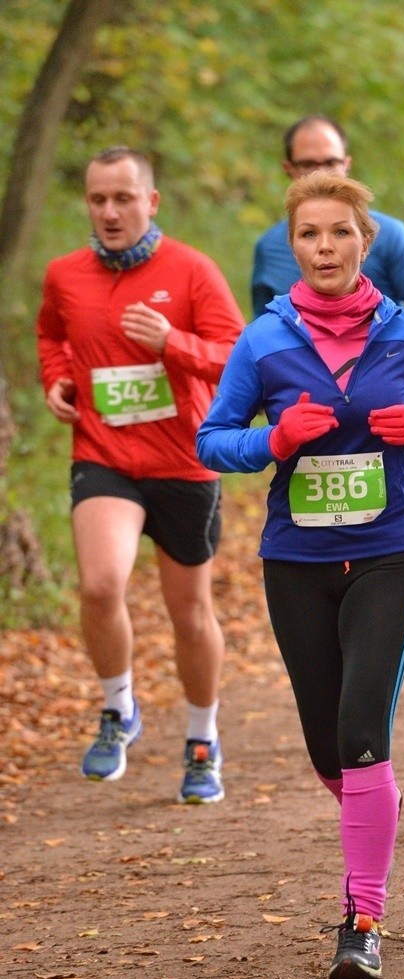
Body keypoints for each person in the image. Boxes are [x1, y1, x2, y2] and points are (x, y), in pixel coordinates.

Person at [197, 173, 404, 979]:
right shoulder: (266, 340)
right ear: (295, 247)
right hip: (297, 560)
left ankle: (362, 919)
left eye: (340, 234)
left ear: (365, 241)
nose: (324, 248)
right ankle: (372, 803)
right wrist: (273, 442)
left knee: (360, 726)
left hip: (390, 551)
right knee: (329, 749)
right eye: (310, 235)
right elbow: (213, 442)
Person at [37, 146, 245, 804]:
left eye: (123, 198)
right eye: (98, 199)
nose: (109, 211)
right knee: (101, 586)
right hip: (103, 456)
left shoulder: (190, 271)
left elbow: (240, 358)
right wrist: (57, 378)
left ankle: (202, 738)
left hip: (185, 462)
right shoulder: (65, 275)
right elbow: (50, 335)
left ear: (150, 202)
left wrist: (172, 344)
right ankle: (117, 709)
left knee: (190, 614)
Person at [250, 114, 404, 497]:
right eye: (307, 164)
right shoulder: (269, 246)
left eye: (329, 162)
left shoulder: (395, 236)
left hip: (383, 412)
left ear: (347, 164)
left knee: (393, 525)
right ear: (288, 169)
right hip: (308, 418)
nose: (320, 171)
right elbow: (261, 324)